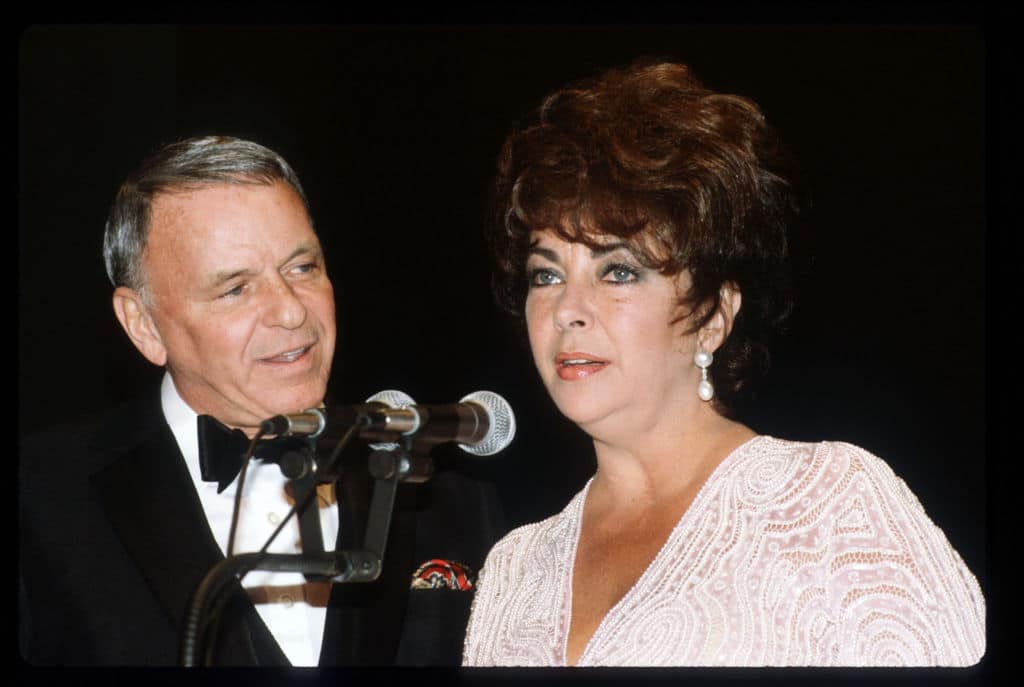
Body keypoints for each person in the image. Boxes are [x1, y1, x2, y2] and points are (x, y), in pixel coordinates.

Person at [461, 60, 985, 667]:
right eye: (546, 274)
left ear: (715, 314)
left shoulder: (828, 505)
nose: (568, 310)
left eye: (619, 271)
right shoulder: (513, 567)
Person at [19, 135, 505, 666]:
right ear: (144, 325)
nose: (292, 312)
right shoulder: (41, 500)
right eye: (235, 289)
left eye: (302, 268)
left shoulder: (448, 494)